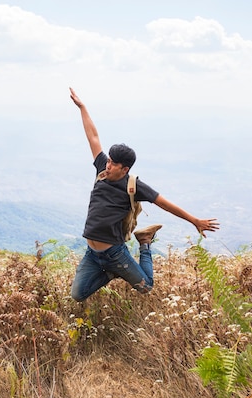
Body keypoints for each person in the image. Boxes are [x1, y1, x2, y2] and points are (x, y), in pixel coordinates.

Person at [69, 87, 220, 302]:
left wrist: (194, 220)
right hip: (92, 253)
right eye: (109, 160)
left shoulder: (133, 185)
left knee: (146, 286)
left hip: (114, 253)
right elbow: (93, 137)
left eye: (114, 163)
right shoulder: (102, 169)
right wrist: (83, 108)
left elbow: (164, 203)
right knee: (78, 295)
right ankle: (113, 273)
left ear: (125, 169)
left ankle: (145, 241)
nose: (108, 165)